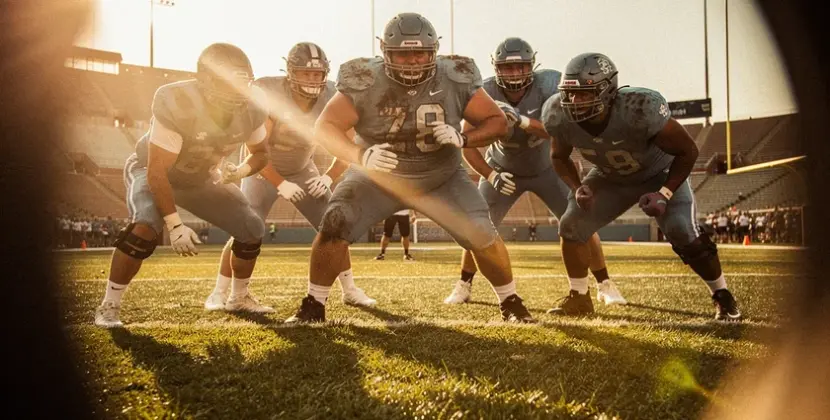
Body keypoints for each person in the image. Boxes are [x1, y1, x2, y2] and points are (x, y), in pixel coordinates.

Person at [284, 12, 534, 324]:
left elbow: (497, 122)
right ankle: (313, 304)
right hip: (378, 176)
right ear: (384, 51)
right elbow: (326, 127)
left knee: (482, 231)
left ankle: (511, 301)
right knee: (335, 221)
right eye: (403, 54)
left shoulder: (456, 74)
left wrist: (464, 137)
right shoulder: (364, 77)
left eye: (421, 53)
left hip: (441, 177)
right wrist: (359, 154)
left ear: (434, 52)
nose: (413, 61)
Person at [542, 52, 741, 320]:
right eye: (571, 94)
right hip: (609, 177)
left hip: (658, 173)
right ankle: (579, 298)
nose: (575, 102)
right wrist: (577, 186)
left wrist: (665, 193)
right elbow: (558, 156)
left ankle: (722, 295)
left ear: (607, 91)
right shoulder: (559, 115)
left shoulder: (638, 108)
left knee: (681, 230)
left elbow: (688, 151)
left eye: (585, 94)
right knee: (571, 224)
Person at [94, 43, 272, 327]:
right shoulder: (179, 101)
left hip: (199, 179)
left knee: (251, 227)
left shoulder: (252, 108)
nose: (234, 90)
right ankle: (109, 306)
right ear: (206, 80)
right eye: (226, 82)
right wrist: (175, 225)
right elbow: (157, 172)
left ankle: (238, 297)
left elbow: (261, 152)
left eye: (239, 81)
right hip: (151, 170)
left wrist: (240, 171)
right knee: (145, 228)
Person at [444, 37, 624, 306]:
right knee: (478, 226)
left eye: (521, 67)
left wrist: (523, 121)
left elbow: (561, 132)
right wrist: (491, 175)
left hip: (547, 168)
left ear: (532, 66)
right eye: (507, 67)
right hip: (503, 170)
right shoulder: (485, 91)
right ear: (496, 68)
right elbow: (466, 144)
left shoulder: (549, 84)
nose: (514, 73)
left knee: (580, 222)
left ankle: (604, 283)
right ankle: (464, 284)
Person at [204, 42, 376, 310]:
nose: (312, 79)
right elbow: (257, 151)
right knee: (246, 228)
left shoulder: (333, 96)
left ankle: (350, 289)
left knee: (334, 227)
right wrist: (280, 183)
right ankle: (221, 293)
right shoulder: (269, 93)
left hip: (302, 168)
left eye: (317, 73)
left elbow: (347, 146)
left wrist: (328, 177)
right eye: (306, 73)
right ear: (290, 72)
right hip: (262, 170)